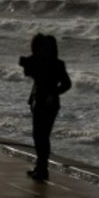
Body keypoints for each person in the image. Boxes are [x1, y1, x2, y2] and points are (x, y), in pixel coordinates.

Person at [18, 33, 72, 182]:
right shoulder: (43, 62)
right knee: (39, 136)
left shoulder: (54, 64)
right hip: (40, 102)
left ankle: (42, 169)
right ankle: (40, 167)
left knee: (42, 136)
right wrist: (26, 64)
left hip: (48, 104)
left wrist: (53, 93)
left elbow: (67, 84)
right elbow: (30, 74)